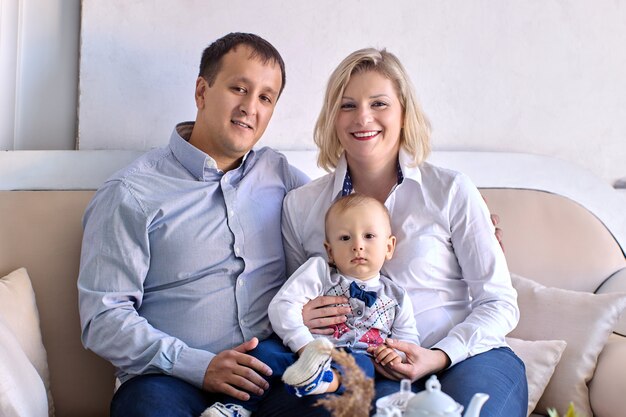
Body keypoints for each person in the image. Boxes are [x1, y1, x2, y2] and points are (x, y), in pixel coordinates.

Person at [76, 32, 328, 417]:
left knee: (342, 393)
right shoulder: (131, 192)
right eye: (238, 88)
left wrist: (305, 311)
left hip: (271, 374)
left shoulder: (282, 177)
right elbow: (103, 319)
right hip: (168, 380)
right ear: (202, 92)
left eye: (265, 97)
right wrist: (198, 365)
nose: (249, 107)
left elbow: (341, 245)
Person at [281, 48, 528, 417]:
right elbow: (291, 298)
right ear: (332, 117)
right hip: (360, 367)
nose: (363, 117)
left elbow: (499, 302)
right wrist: (301, 315)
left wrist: (439, 356)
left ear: (403, 112)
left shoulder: (450, 191)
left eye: (379, 103)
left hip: (466, 357)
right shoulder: (301, 206)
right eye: (347, 105)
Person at [202, 193, 419, 417]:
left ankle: (322, 382)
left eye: (369, 236)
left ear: (389, 246)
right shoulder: (320, 272)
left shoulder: (396, 297)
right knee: (262, 352)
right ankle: (235, 407)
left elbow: (408, 340)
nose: (357, 246)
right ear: (330, 251)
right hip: (300, 349)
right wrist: (305, 346)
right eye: (345, 238)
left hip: (349, 360)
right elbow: (283, 306)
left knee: (364, 368)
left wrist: (396, 356)